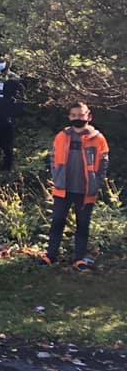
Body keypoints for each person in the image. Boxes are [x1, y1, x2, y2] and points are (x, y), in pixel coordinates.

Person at [42, 102, 109, 270]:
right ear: (69, 117)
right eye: (74, 115)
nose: (77, 118)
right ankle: (50, 256)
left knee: (83, 225)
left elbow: (104, 163)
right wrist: (56, 177)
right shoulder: (61, 136)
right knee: (57, 222)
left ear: (89, 116)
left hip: (86, 191)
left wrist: (97, 182)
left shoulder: (98, 138)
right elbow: (53, 159)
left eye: (81, 115)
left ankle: (79, 259)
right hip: (62, 189)